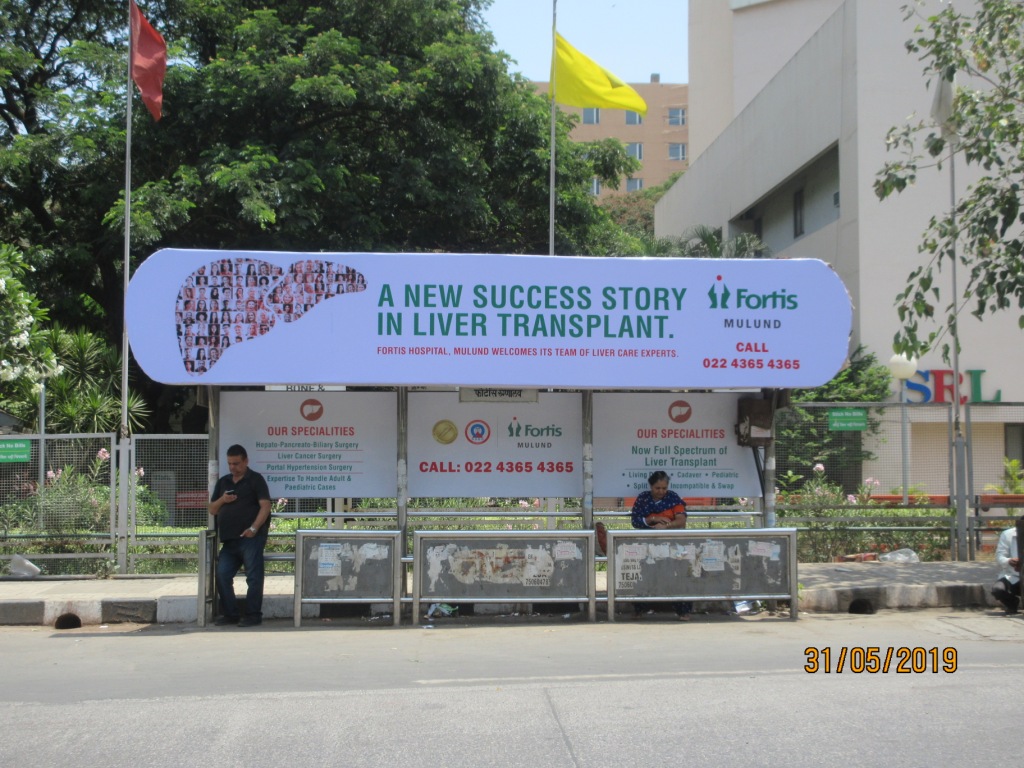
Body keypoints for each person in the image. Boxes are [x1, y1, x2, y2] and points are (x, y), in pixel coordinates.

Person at [597, 471, 692, 620]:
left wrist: (666, 526)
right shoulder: (643, 498)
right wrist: (653, 519)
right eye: (657, 488)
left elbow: (681, 521)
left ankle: (683, 611)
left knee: (675, 577)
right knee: (642, 576)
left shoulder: (673, 498)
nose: (661, 491)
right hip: (646, 545)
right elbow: (635, 521)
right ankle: (639, 609)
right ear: (651, 486)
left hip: (671, 546)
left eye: (663, 488)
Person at [209, 445, 272, 626]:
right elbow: (212, 509)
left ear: (246, 461)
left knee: (253, 577)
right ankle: (231, 614)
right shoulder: (224, 482)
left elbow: (265, 506)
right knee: (222, 574)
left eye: (236, 463)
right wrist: (223, 499)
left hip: (250, 538)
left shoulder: (255, 480)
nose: (232, 467)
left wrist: (253, 529)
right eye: (229, 464)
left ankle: (253, 615)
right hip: (229, 541)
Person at [991, 523, 1020, 615]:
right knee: (997, 589)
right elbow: (1000, 556)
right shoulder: (1007, 534)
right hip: (1012, 576)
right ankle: (1012, 604)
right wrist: (1009, 561)